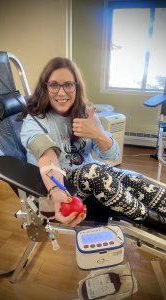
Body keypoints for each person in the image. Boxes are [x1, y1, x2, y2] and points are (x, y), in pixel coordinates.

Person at [20, 57, 166, 232]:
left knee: (132, 179)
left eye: (68, 84)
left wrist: (96, 133)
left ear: (76, 87)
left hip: (91, 178)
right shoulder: (34, 121)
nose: (61, 92)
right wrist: (57, 192)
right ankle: (156, 223)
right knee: (95, 171)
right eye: (53, 85)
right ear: (45, 87)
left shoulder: (85, 115)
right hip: (56, 189)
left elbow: (112, 156)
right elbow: (47, 157)